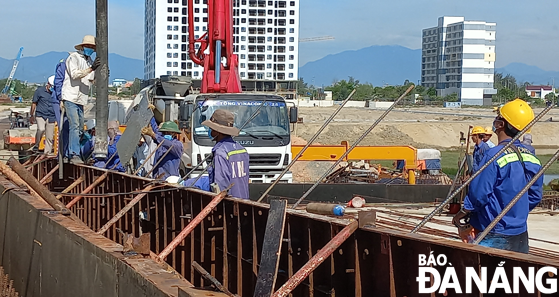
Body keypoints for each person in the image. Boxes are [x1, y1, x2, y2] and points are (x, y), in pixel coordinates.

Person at [453, 99, 543, 253]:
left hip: (493, 232)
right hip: (520, 233)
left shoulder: (494, 155)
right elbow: (534, 196)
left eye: (498, 117)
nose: (495, 120)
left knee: (489, 275)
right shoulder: (531, 158)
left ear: (501, 124)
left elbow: (479, 196)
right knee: (515, 275)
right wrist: (515, 214)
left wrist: (461, 214)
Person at [62, 35, 101, 164]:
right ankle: (74, 154)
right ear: (83, 47)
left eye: (91, 47)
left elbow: (91, 79)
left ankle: (71, 152)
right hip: (71, 97)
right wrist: (91, 69)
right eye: (88, 46)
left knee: (79, 129)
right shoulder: (73, 58)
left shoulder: (89, 61)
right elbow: (75, 74)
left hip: (81, 99)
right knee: (75, 125)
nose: (89, 49)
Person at [202, 109, 250, 199]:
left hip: (229, 206)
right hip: (244, 201)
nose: (210, 131)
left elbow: (221, 186)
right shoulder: (242, 150)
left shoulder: (221, 152)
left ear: (218, 131)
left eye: (211, 129)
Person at [30, 75, 57, 154]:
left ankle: (47, 152)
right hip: (40, 114)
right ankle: (36, 144)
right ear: (48, 84)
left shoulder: (55, 93)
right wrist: (31, 115)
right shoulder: (39, 91)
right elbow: (34, 103)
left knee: (49, 136)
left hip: (51, 116)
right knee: (41, 129)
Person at [53, 58, 70, 161]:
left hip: (72, 99)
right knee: (62, 127)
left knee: (71, 128)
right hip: (61, 100)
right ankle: (62, 153)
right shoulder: (63, 66)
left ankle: (68, 152)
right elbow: (58, 83)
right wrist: (61, 98)